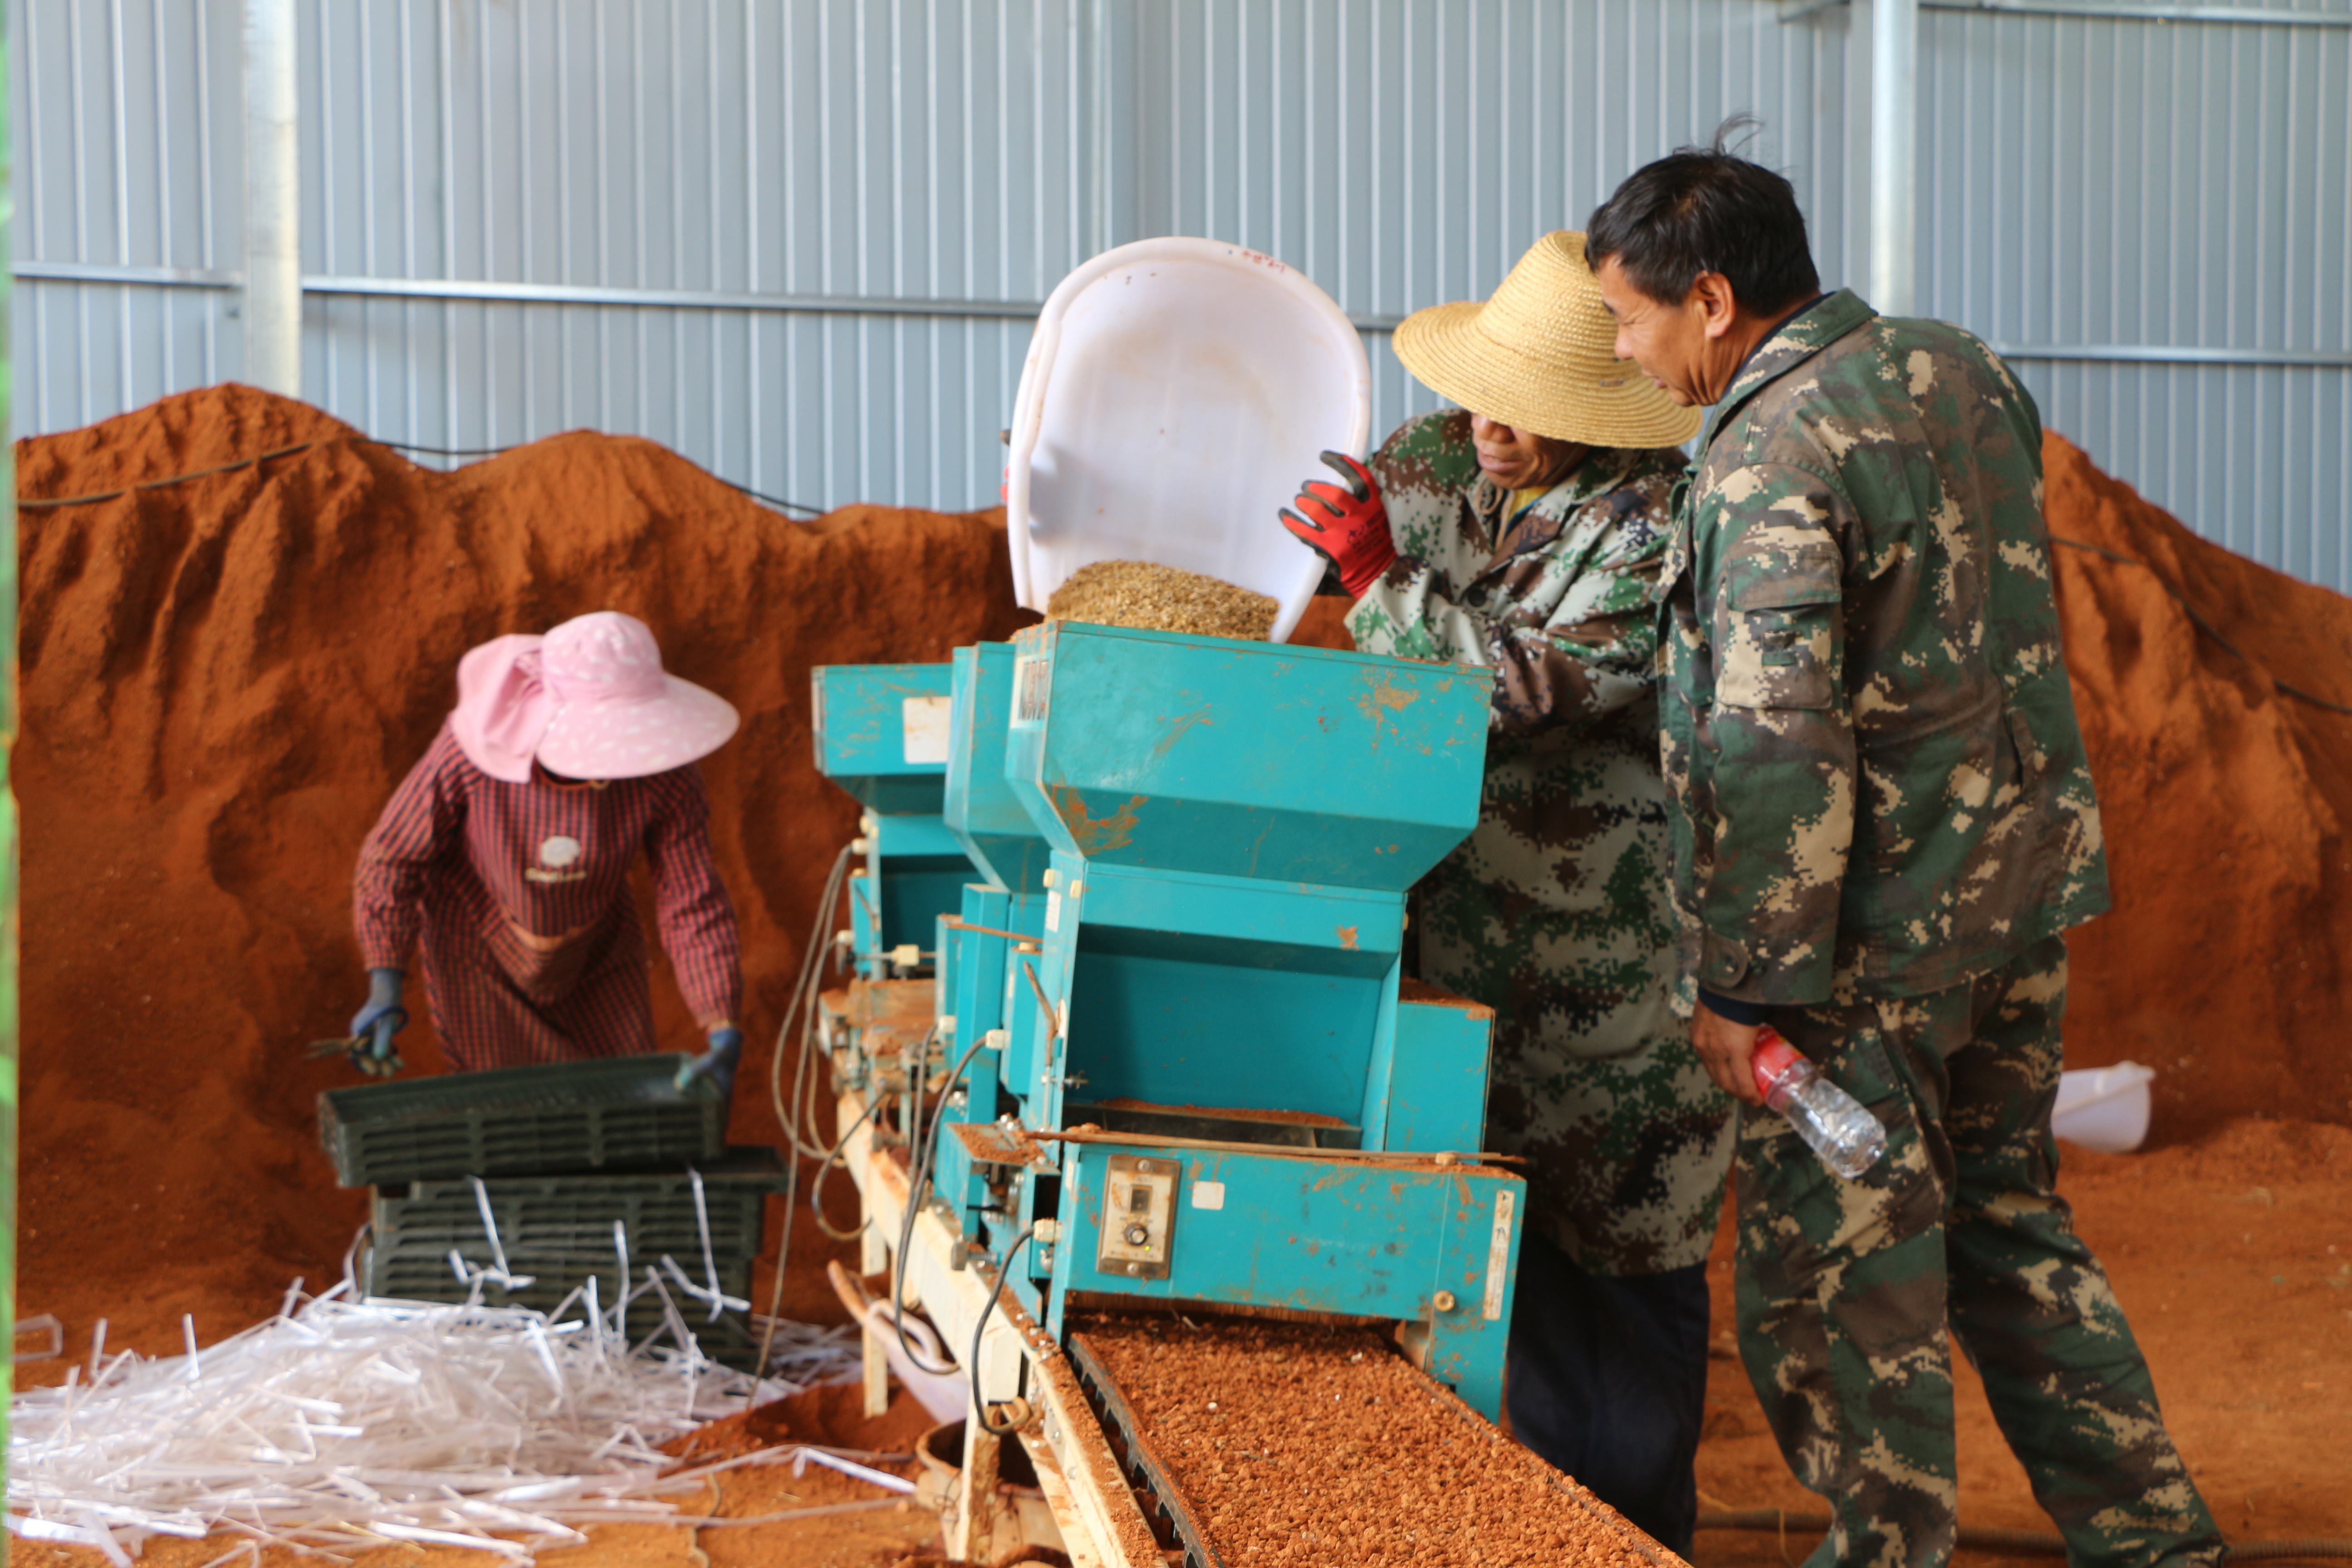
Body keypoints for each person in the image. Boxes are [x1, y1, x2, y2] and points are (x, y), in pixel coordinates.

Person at [1583, 131, 2224, 1568]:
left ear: (1712, 300)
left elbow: (1776, 740)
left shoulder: (1765, 454)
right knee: (2012, 1232)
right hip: (2012, 903)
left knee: (1842, 1285)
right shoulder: (1957, 366)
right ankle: (2157, 1545)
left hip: (1860, 954)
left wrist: (1746, 985)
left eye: (1628, 317)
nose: (1623, 350)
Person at [1279, 230, 1734, 1556]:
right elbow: (1307, 525)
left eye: (1527, 408)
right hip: (1456, 970)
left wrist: (1378, 582)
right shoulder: (1438, 459)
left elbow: (1523, 692)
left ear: (1598, 412)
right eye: (1482, 391)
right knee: (1496, 1281)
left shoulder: (1656, 527)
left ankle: (1636, 1544)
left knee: (1629, 1304)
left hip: (1611, 997)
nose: (1491, 426)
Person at [350, 610, 747, 1094]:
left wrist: (721, 1023)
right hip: (479, 953)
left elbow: (691, 899)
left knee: (621, 1102)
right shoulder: (474, 752)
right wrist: (385, 981)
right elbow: (393, 858)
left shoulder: (665, 769)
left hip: (598, 950)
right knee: (511, 1109)